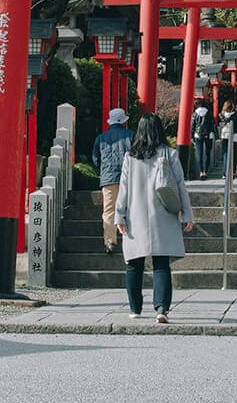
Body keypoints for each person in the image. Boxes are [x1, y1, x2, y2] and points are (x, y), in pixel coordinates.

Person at [115, 113, 194, 323]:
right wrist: (187, 214)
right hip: (164, 214)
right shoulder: (170, 154)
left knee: (133, 263)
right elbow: (180, 186)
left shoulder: (130, 157)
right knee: (161, 263)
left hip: (135, 215)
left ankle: (135, 307)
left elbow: (123, 189)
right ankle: (161, 308)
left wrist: (119, 215)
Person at [92, 107, 135, 254]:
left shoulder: (101, 138)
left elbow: (96, 159)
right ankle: (131, 239)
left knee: (109, 211)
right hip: (128, 177)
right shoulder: (131, 135)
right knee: (129, 209)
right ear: (123, 121)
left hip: (108, 178)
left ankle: (110, 242)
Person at [190, 99, 216, 179]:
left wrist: (191, 136)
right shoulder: (209, 113)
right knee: (207, 154)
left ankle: (201, 172)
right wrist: (216, 136)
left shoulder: (194, 114)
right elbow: (213, 125)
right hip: (209, 134)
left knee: (199, 154)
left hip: (197, 134)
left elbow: (192, 126)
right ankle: (206, 171)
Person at [218, 100, 237, 178]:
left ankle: (225, 172)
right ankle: (232, 171)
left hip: (225, 136)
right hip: (235, 137)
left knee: (226, 154)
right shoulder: (235, 115)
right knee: (234, 155)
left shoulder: (222, 115)